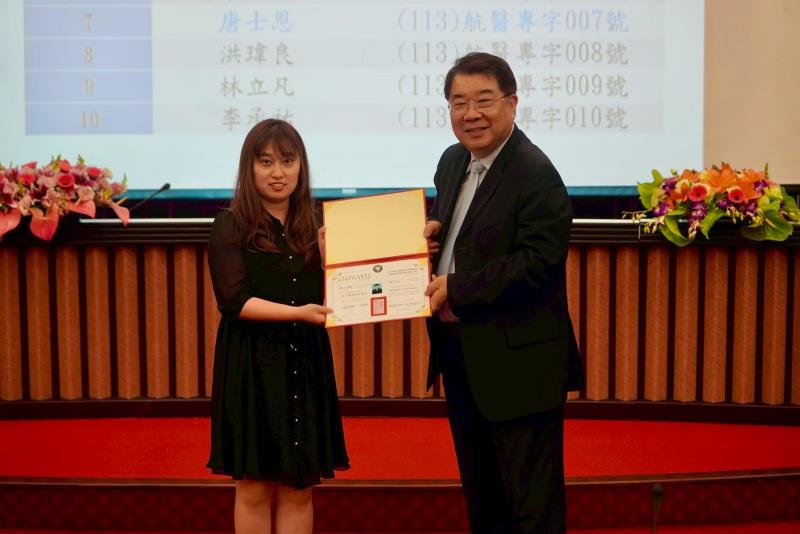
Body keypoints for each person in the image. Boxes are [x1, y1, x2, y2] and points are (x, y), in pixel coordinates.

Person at [423, 52, 584, 533]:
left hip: (521, 365)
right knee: (483, 495)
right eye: (459, 102)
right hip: (463, 355)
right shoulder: (453, 161)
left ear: (512, 103)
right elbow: (466, 233)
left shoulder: (535, 172)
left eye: (484, 100)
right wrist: (431, 237)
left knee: (531, 503)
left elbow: (537, 263)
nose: (471, 114)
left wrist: (456, 286)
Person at [207, 119, 349, 534]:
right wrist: (299, 313)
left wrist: (332, 262)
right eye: (266, 162)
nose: (278, 172)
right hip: (252, 365)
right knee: (253, 489)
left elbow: (344, 291)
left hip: (305, 364)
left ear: (301, 166)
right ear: (249, 168)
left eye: (288, 161)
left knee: (298, 489)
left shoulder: (318, 225)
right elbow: (234, 301)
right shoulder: (230, 224)